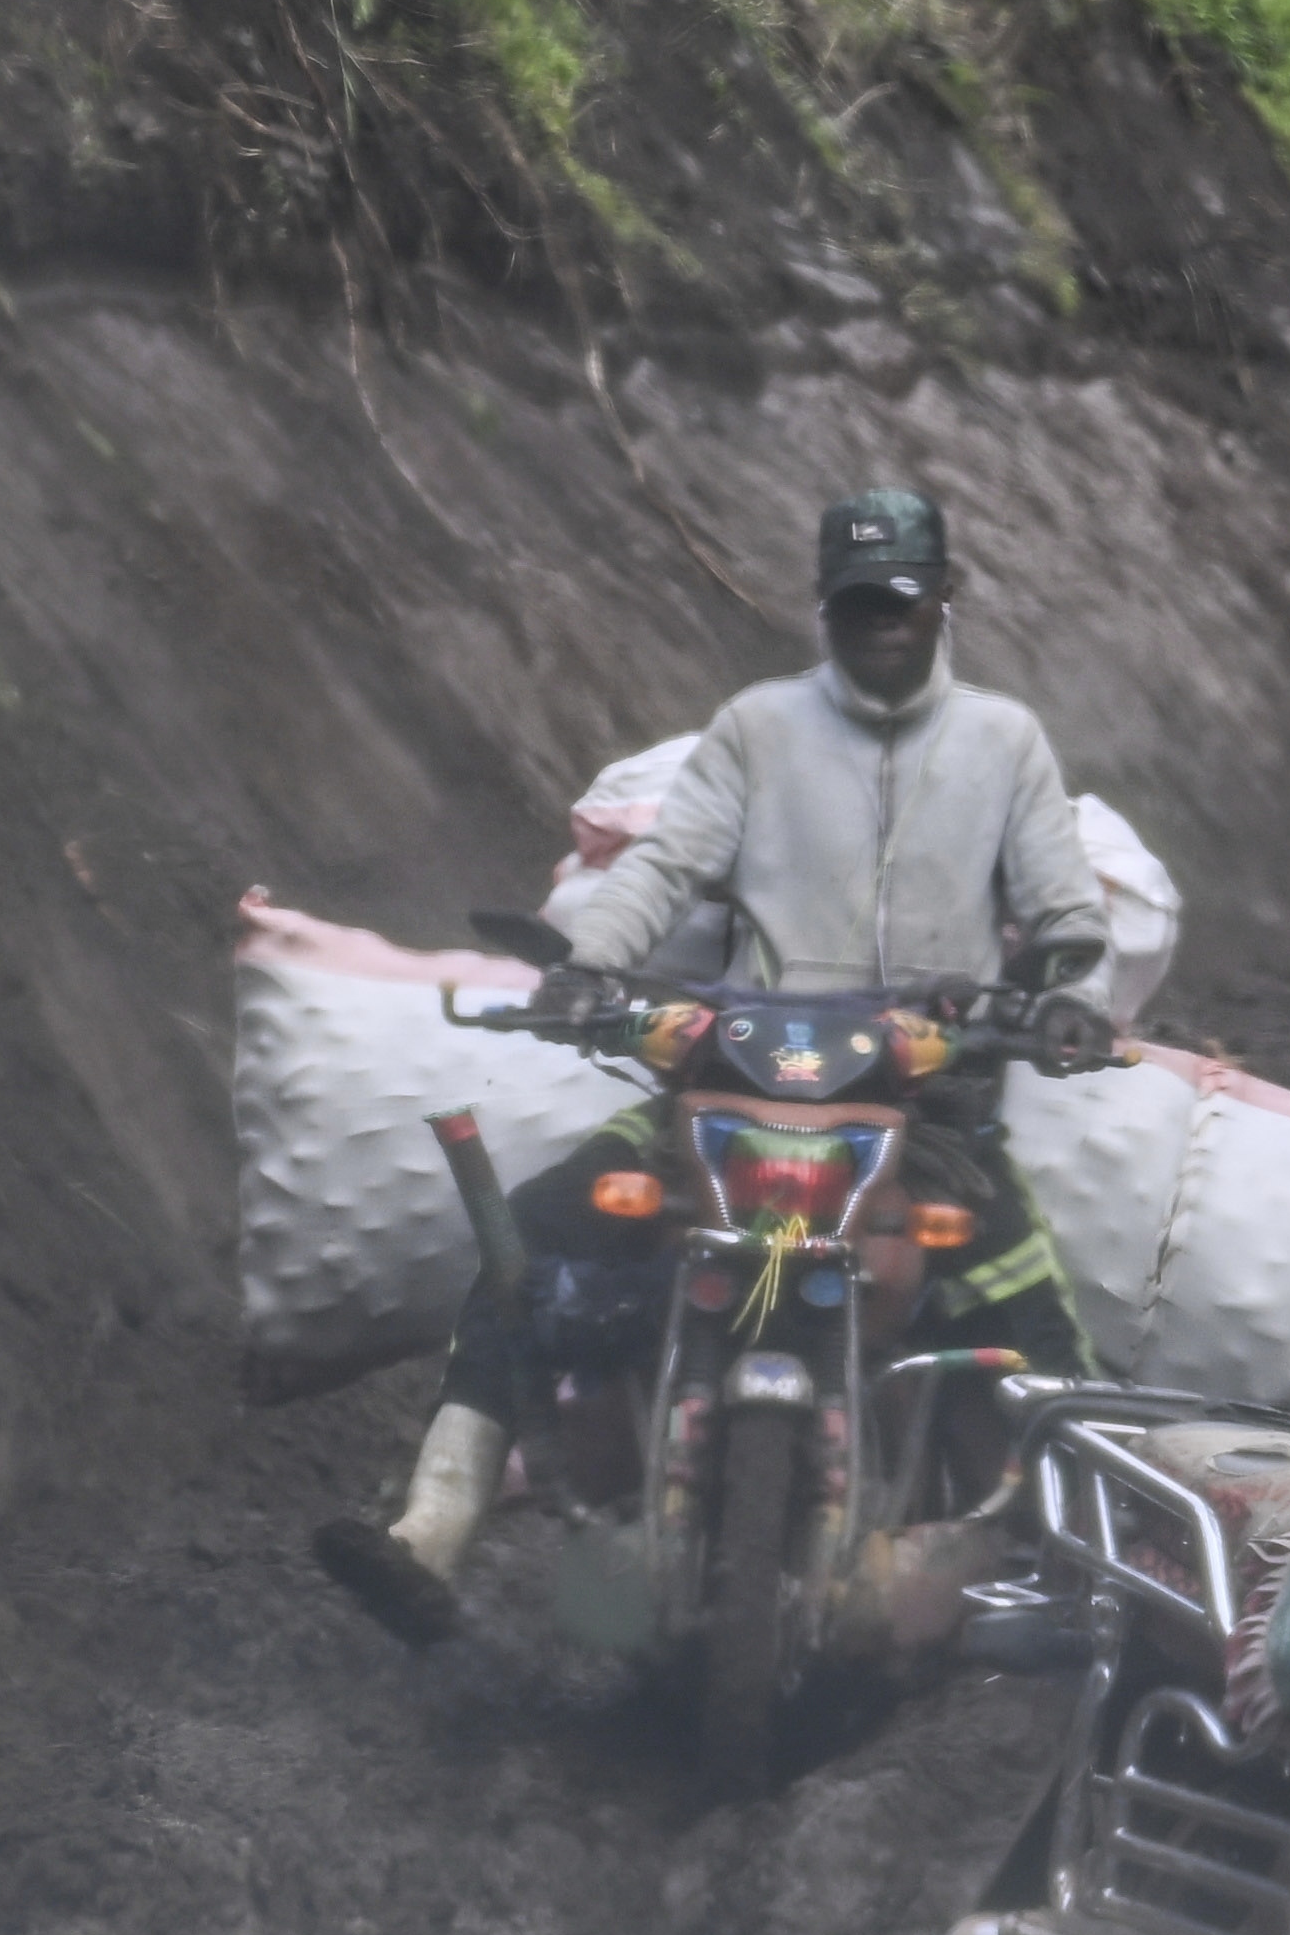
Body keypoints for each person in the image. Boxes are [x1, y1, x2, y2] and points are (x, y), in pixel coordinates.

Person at [319, 484, 1106, 1629]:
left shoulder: (1005, 743)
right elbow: (664, 863)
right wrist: (590, 964)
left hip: (924, 1107)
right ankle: (432, 1528)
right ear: (824, 606)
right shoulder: (758, 729)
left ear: (946, 596)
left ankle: (1068, 1581)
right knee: (530, 1239)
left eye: (899, 599)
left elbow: (1065, 902)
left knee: (1030, 1315)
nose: (880, 623)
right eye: (857, 603)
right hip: (738, 1077)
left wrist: (1070, 993)